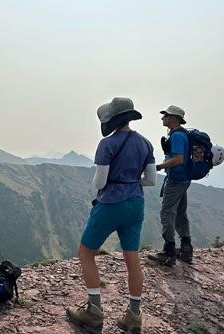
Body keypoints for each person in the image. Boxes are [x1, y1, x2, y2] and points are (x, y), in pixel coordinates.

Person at [66, 97, 156, 334]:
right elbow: (151, 180)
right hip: (136, 203)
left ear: (112, 119)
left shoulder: (107, 144)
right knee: (132, 259)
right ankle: (134, 317)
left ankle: (94, 312)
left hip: (111, 203)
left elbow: (100, 181)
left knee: (86, 252)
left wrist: (115, 182)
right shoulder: (146, 144)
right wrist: (131, 181)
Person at [148, 105, 193, 266]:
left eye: (165, 116)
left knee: (167, 213)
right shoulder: (181, 134)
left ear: (174, 118)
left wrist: (160, 167)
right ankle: (186, 249)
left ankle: (169, 252)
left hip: (176, 180)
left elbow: (178, 159)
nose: (163, 118)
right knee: (180, 213)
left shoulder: (177, 136)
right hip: (183, 179)